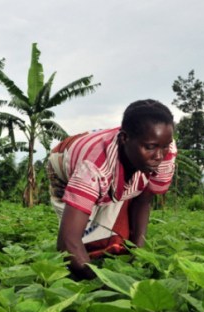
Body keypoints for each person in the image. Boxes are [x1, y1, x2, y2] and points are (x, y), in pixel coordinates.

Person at [47, 99, 177, 280]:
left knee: (118, 241)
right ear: (124, 138)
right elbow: (67, 241)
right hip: (63, 163)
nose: (159, 156)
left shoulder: (163, 149)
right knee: (86, 243)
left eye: (164, 147)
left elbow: (143, 199)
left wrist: (137, 253)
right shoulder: (93, 167)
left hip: (107, 160)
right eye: (150, 147)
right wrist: (106, 284)